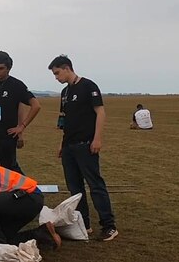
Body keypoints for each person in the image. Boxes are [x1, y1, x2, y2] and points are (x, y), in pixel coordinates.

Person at [48, 55, 118, 241]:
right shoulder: (64, 93)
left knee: (95, 185)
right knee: (75, 189)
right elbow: (64, 120)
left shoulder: (89, 86)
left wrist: (97, 139)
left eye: (57, 73)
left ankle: (109, 226)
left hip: (86, 145)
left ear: (67, 68)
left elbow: (100, 113)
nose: (56, 77)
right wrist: (62, 144)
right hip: (69, 148)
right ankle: (84, 224)